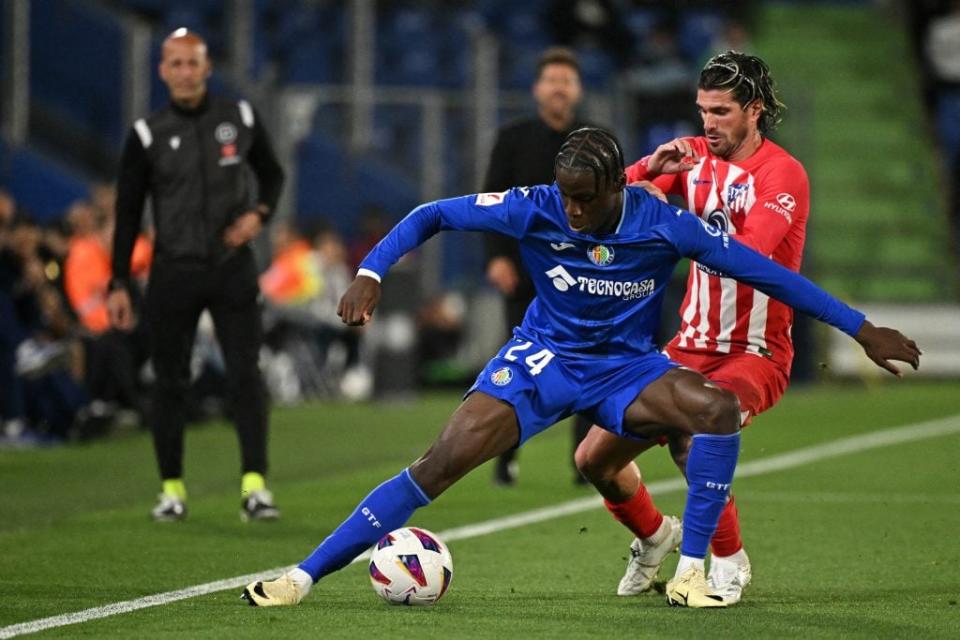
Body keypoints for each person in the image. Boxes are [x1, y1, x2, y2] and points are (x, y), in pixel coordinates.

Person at [241, 127, 920, 609]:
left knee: (713, 411)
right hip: (544, 362)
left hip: (627, 370)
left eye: (584, 198)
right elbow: (431, 215)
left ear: (614, 189)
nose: (571, 208)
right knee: (440, 462)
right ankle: (302, 576)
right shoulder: (536, 206)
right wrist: (371, 270)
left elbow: (770, 275)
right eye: (565, 195)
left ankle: (694, 571)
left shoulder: (663, 222)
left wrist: (861, 329)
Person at [573, 50, 816, 605]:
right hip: (686, 347)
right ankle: (656, 536)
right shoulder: (694, 159)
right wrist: (648, 171)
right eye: (703, 110)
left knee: (694, 428)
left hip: (754, 352)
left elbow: (748, 253)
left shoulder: (781, 174)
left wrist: (670, 221)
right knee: (593, 459)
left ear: (754, 111)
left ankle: (728, 560)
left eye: (722, 111)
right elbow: (602, 199)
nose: (708, 123)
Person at [108, 29, 285, 522]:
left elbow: (272, 173)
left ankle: (255, 486)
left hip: (232, 270)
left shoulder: (240, 117)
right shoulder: (147, 133)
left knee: (245, 376)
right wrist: (118, 281)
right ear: (162, 71)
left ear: (208, 68)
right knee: (170, 382)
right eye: (176, 64)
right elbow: (127, 212)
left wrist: (260, 213)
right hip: (173, 272)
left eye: (193, 63)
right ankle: (171, 489)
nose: (185, 72)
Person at [483, 46, 592, 486]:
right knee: (516, 365)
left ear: (577, 90)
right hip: (525, 270)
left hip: (583, 276)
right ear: (537, 89)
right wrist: (495, 257)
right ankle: (504, 457)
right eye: (552, 80)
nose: (559, 88)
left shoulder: (594, 140)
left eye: (566, 80)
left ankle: (584, 460)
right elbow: (490, 199)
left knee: (586, 364)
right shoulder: (513, 138)